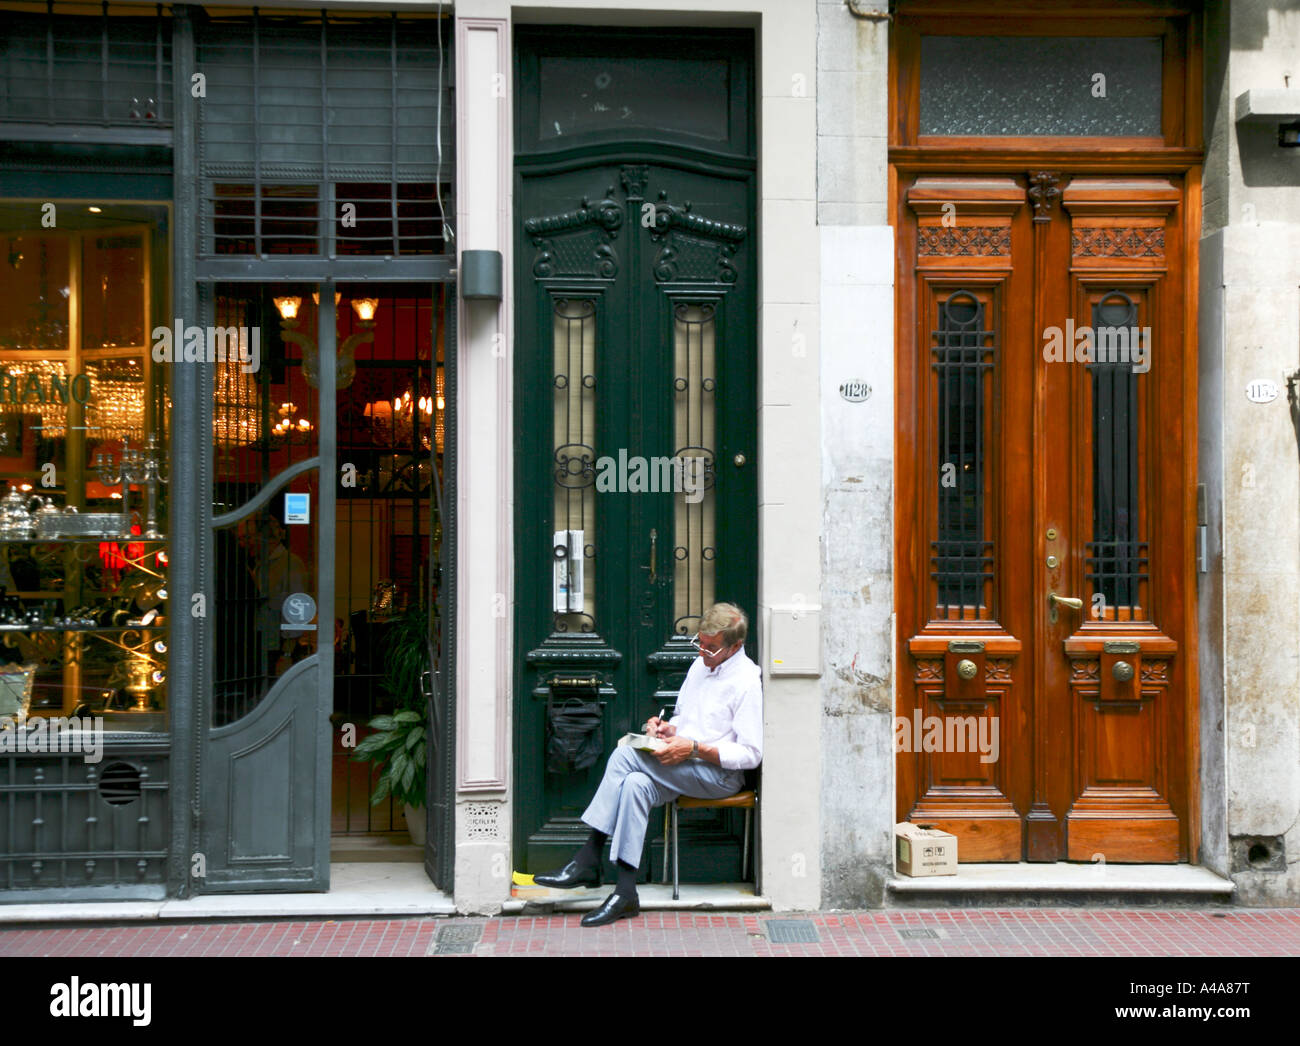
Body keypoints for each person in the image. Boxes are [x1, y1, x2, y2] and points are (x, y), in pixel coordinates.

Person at [534, 602, 763, 927]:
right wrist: (668, 729)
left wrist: (694, 748)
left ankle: (589, 856)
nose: (702, 652)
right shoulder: (701, 667)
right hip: (684, 766)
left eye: (710, 648)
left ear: (735, 646)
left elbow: (751, 754)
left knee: (627, 754)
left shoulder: (747, 682)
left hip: (720, 776)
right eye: (699, 642)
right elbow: (684, 716)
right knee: (634, 784)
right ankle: (626, 893)